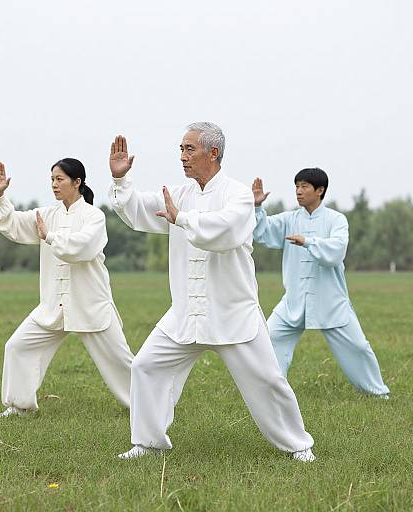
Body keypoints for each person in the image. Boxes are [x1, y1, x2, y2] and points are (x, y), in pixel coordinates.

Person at [109, 123, 315, 461]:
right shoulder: (180, 194)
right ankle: (147, 443)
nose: (182, 157)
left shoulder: (238, 195)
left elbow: (226, 232)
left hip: (232, 312)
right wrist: (121, 181)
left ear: (213, 153)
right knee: (146, 366)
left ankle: (298, 445)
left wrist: (183, 220)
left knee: (267, 381)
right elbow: (137, 211)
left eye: (189, 150)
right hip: (185, 314)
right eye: (180, 150)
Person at [0, 158, 134, 417]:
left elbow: (83, 247)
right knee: (17, 347)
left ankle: (146, 404)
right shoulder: (46, 215)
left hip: (90, 304)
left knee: (121, 361)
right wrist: (0, 197)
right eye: (52, 180)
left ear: (77, 182)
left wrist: (50, 237)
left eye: (60, 179)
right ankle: (20, 406)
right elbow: (12, 224)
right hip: (53, 306)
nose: (54, 185)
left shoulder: (94, 216)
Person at [252, 169, 390, 397]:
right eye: (296, 186)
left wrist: (307, 242)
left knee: (357, 347)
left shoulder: (336, 220)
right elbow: (262, 232)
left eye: (304, 186)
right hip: (294, 300)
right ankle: (272, 391)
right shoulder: (289, 219)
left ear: (320, 190)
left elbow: (336, 252)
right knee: (270, 338)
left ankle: (378, 393)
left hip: (330, 300)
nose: (298, 191)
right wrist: (257, 208)